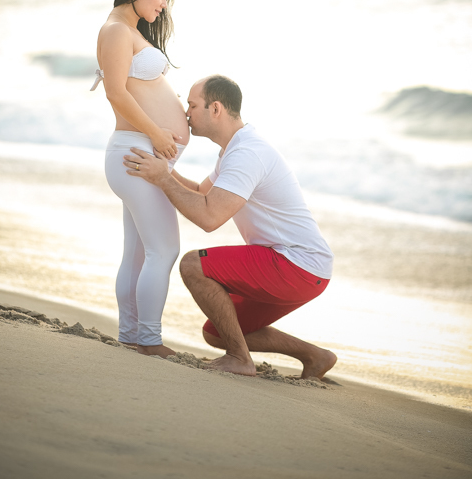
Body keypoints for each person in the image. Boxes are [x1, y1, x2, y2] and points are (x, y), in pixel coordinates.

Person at [124, 75, 336, 379]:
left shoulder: (247, 154)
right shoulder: (236, 149)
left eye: (192, 105)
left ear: (216, 109)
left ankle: (240, 359)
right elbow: (200, 192)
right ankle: (316, 357)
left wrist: (163, 179)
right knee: (216, 332)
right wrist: (163, 170)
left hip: (297, 264)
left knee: (194, 265)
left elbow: (210, 218)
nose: (186, 113)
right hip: (303, 268)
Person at [91, 0, 189, 357]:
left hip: (140, 153)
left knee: (137, 251)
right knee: (163, 250)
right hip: (137, 152)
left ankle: (131, 335)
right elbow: (117, 93)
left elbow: (137, 88)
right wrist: (157, 134)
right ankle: (149, 340)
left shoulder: (130, 30)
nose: (164, 4)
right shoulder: (115, 30)